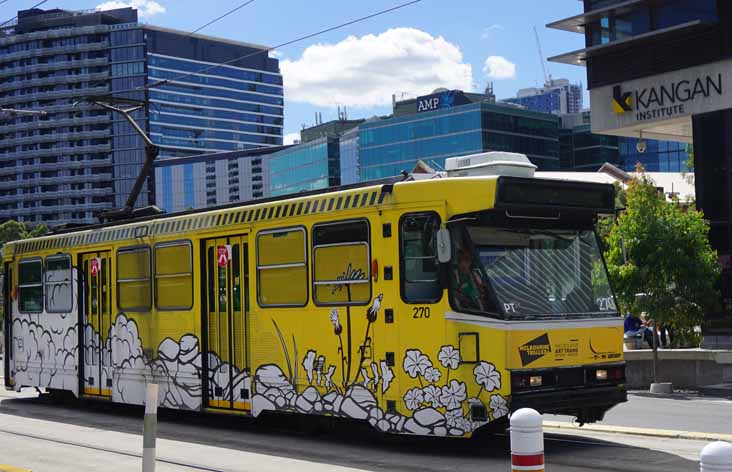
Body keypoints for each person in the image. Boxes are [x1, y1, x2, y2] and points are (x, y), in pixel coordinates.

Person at [451, 245, 488, 311]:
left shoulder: (476, 274)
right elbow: (453, 292)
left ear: (471, 261)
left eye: (467, 259)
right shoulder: (455, 275)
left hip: (479, 306)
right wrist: (463, 298)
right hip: (464, 308)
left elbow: (484, 289)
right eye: (461, 260)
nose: (463, 263)